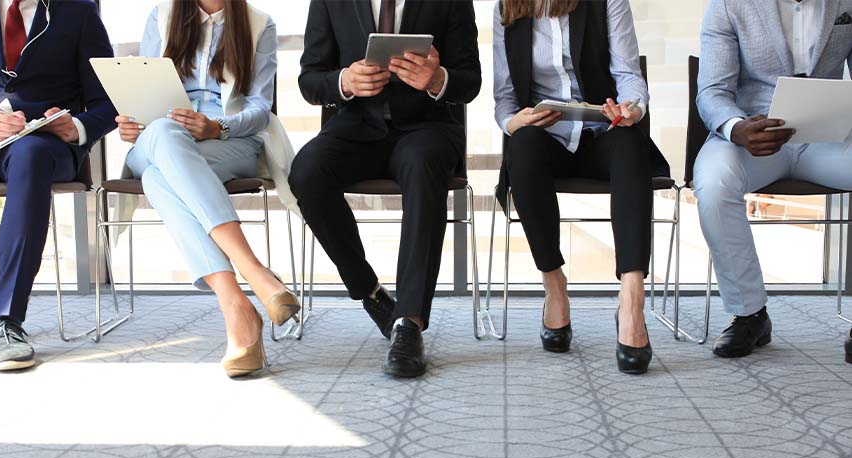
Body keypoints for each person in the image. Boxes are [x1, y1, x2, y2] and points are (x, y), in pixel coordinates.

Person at [288, 0, 481, 378]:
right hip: (355, 126)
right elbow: (310, 79)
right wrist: (344, 81)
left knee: (425, 165)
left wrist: (438, 78)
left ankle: (408, 323)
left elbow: (470, 80)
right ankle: (372, 293)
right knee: (307, 172)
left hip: (427, 128)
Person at [116, 0, 300, 378]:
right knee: (164, 134)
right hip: (158, 140)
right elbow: (141, 98)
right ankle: (255, 274)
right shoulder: (161, 17)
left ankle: (237, 308)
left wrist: (218, 128)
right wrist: (133, 125)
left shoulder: (258, 24)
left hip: (228, 142)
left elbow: (260, 108)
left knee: (158, 178)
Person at [493, 0, 669, 374]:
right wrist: (515, 121)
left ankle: (632, 300)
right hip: (545, 138)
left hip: (600, 130)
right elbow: (504, 97)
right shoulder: (507, 6)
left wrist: (630, 108)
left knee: (630, 141)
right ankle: (554, 286)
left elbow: (629, 74)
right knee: (521, 147)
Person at [0, 0, 117, 371]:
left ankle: (6, 320)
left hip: (44, 142)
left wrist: (74, 125)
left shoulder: (78, 9)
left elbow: (106, 103)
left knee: (30, 155)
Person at [695, 1, 852, 362]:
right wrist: (736, 129)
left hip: (829, 138)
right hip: (754, 136)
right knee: (715, 181)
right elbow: (712, 91)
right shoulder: (727, 5)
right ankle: (750, 313)